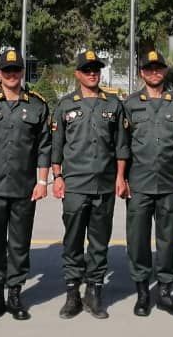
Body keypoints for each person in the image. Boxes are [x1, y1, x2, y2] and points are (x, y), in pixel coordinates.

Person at [0, 47, 51, 320]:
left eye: (16, 70)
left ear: (22, 72)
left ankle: (15, 293)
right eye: (7, 70)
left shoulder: (37, 105)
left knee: (19, 242)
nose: (11, 75)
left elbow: (44, 148)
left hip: (25, 187)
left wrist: (42, 181)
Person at [116, 49, 173, 317]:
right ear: (142, 73)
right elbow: (122, 145)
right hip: (138, 183)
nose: (154, 72)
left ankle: (164, 291)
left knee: (168, 239)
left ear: (165, 71)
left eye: (158, 68)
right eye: (149, 69)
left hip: (168, 183)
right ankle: (142, 292)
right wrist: (121, 178)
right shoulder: (130, 104)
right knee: (137, 240)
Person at [51, 49, 125, 319]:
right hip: (74, 184)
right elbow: (56, 147)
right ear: (77, 74)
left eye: (96, 69)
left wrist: (120, 177)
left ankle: (94, 291)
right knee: (72, 240)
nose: (92, 73)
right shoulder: (65, 104)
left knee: (99, 241)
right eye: (87, 69)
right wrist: (56, 177)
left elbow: (121, 147)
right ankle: (72, 293)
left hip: (104, 184)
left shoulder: (113, 104)